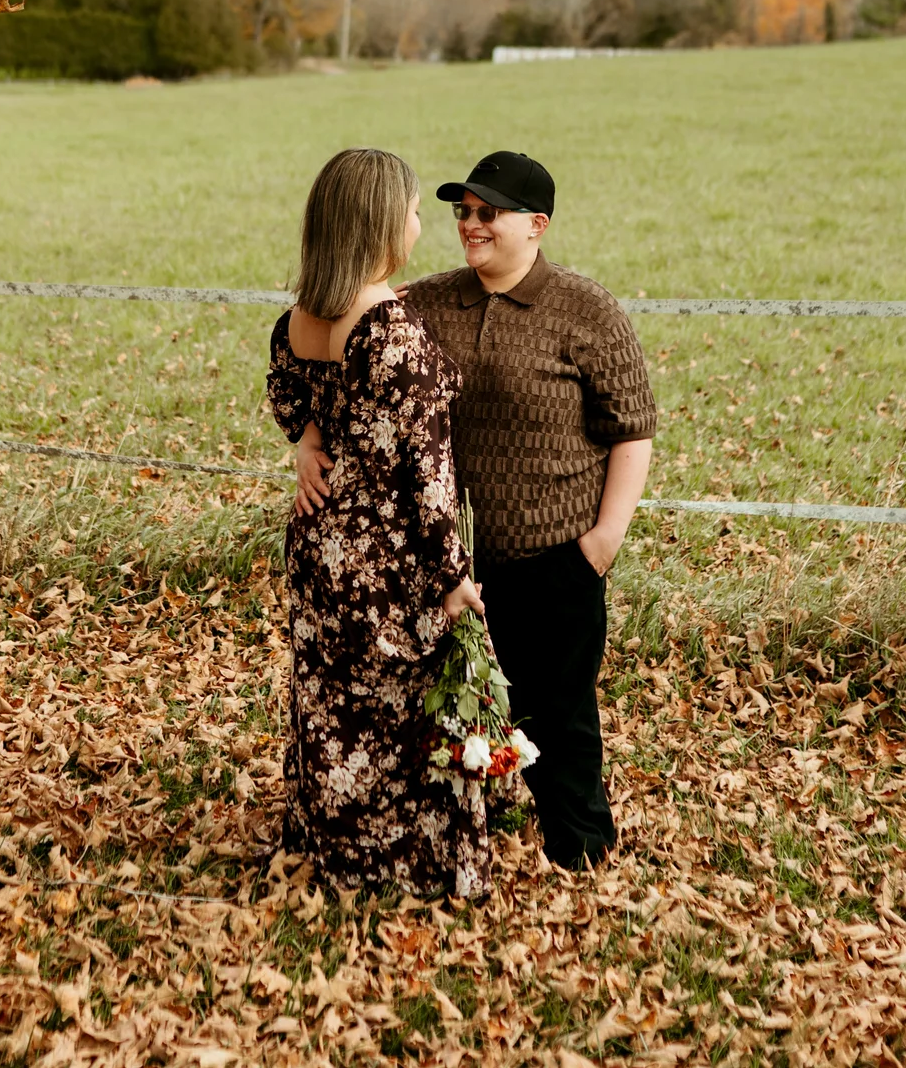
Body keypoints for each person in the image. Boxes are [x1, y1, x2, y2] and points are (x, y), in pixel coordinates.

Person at [303, 149, 655, 870]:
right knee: (454, 713)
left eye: (488, 212)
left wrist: (603, 540)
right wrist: (306, 439)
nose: (470, 224)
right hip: (450, 570)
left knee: (559, 716)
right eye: (463, 211)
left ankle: (579, 852)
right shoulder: (426, 301)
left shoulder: (586, 309)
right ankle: (464, 843)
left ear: (537, 224)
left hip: (555, 559)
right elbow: (328, 341)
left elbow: (633, 427)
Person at [265, 147, 491, 897]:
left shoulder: (300, 318)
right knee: (402, 708)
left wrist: (308, 438)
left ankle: (333, 848)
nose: (423, 223)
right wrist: (453, 576)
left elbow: (287, 391)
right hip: (389, 557)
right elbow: (425, 474)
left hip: (319, 540)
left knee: (332, 702)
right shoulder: (390, 331)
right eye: (417, 210)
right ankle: (397, 865)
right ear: (383, 223)